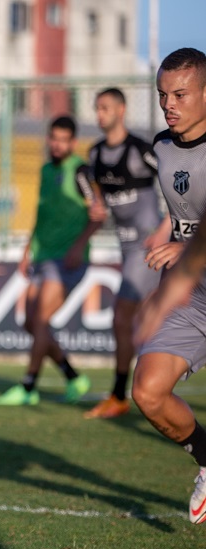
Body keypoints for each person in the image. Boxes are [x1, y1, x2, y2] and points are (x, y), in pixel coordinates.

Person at [129, 48, 206, 524]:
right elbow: (182, 212)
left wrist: (187, 247)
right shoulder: (161, 145)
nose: (169, 104)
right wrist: (166, 236)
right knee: (149, 392)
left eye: (180, 94)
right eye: (162, 95)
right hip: (190, 294)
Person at [0, 115, 104, 406]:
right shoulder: (45, 170)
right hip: (42, 257)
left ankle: (28, 387)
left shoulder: (80, 171)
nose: (57, 144)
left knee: (41, 320)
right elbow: (41, 216)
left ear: (73, 142)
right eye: (53, 138)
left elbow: (99, 214)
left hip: (67, 261)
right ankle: (73, 377)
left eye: (63, 140)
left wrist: (78, 246)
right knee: (31, 323)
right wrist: (26, 250)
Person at [83, 89, 169, 419]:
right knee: (143, 320)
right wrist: (95, 210)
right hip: (126, 247)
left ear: (121, 110)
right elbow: (100, 203)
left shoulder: (140, 150)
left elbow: (176, 179)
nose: (99, 114)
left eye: (105, 107)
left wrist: (166, 225)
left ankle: (121, 394)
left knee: (122, 316)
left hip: (149, 247)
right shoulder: (94, 155)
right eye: (97, 108)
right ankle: (138, 389)